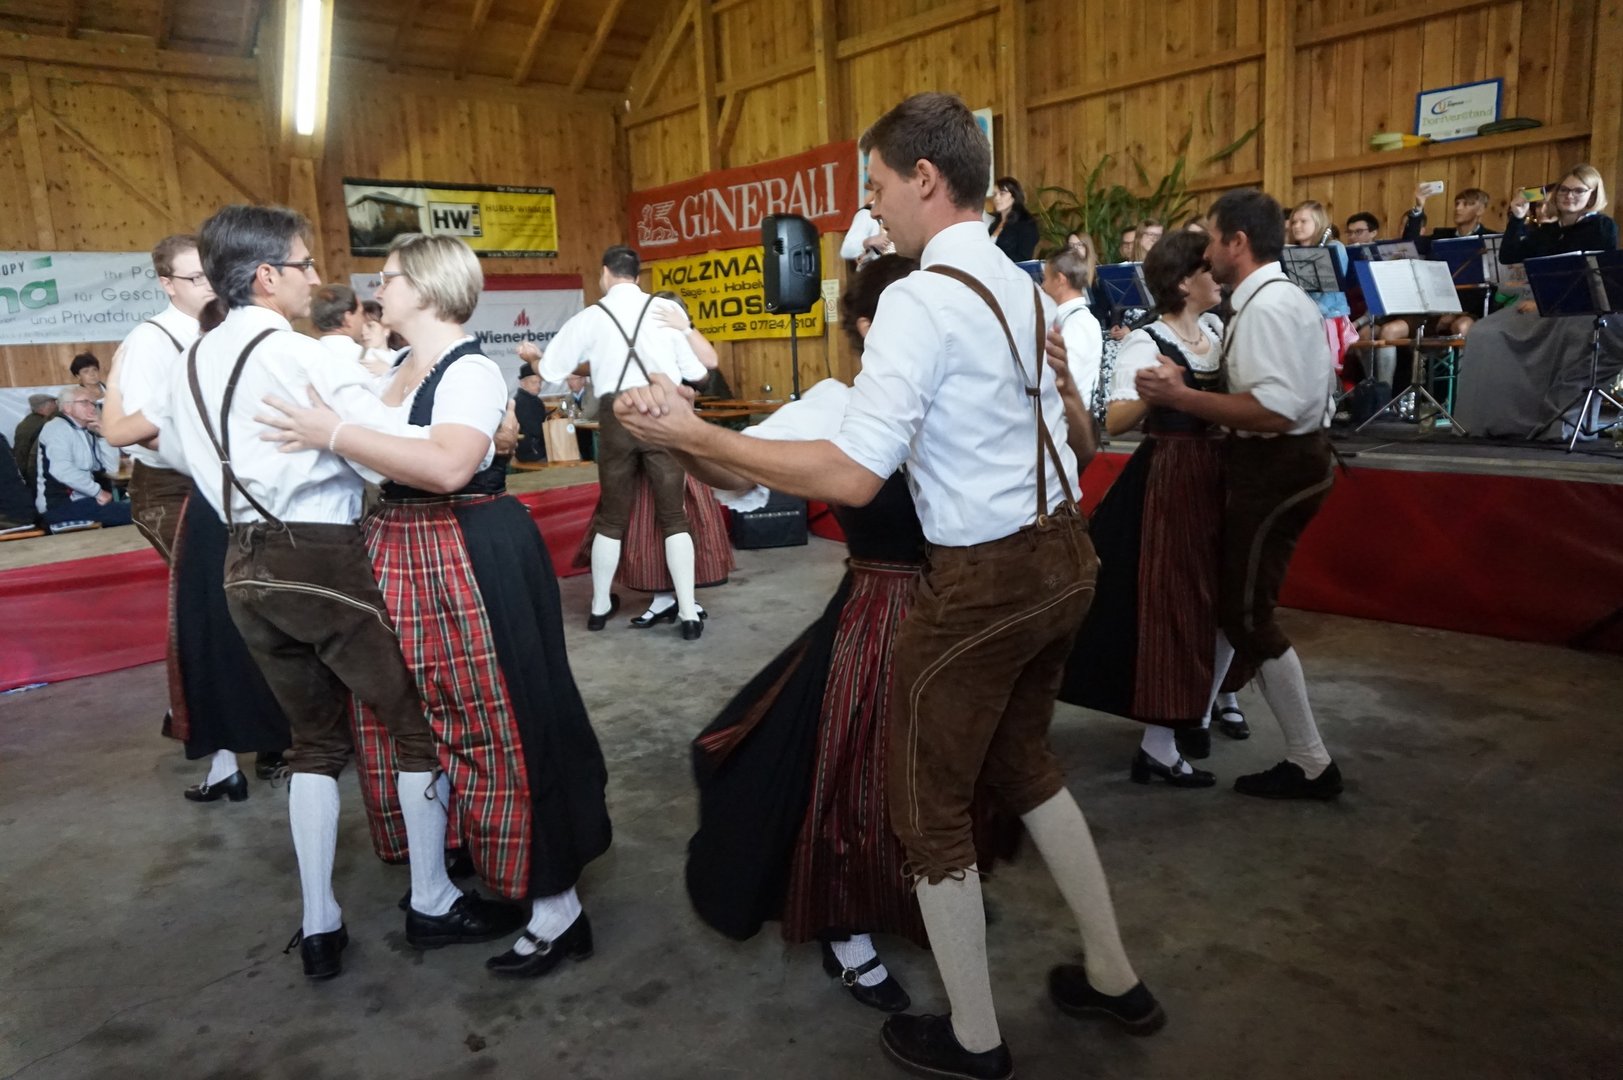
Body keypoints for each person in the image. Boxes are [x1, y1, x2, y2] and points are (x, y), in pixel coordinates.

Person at [616, 92, 1159, 1080]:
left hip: (985, 582)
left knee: (926, 809)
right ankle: (1115, 977)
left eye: (874, 187)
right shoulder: (1022, 288)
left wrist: (691, 434)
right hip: (1066, 560)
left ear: (925, 178)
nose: (869, 210)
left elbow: (857, 476)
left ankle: (974, 1039)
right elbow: (1066, 445)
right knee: (1027, 767)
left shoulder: (918, 296)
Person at [155, 204, 519, 980]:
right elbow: (390, 454)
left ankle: (319, 921)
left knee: (314, 743)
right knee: (414, 724)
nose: (315, 277)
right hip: (319, 556)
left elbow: (181, 455)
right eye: (304, 264)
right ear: (266, 276)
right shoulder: (300, 356)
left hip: (240, 561)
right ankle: (431, 900)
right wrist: (484, 435)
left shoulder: (190, 360)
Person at [258, 231, 611, 978]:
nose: (376, 289)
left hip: (466, 547)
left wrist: (334, 432)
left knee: (497, 721)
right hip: (403, 543)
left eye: (387, 277)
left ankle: (557, 909)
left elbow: (449, 467)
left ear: (424, 287)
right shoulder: (395, 364)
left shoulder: (470, 369)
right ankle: (458, 871)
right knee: (418, 719)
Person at [685, 254, 922, 1013]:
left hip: (966, 609)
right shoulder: (835, 405)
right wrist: (687, 436)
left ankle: (925, 894)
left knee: (941, 769)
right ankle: (846, 927)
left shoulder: (958, 397)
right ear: (867, 328)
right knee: (861, 772)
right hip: (881, 608)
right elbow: (741, 477)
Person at [1135, 187, 1344, 801]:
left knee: (1248, 616)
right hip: (1279, 464)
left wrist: (1183, 398)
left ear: (1238, 242)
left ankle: (1310, 761)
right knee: (1236, 606)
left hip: (1278, 467)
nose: (1205, 252)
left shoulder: (1269, 307)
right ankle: (1194, 719)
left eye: (1211, 238)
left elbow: (1275, 410)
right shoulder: (1272, 300)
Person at [99, 233, 290, 800]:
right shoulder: (151, 340)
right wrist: (211, 453)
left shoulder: (227, 328)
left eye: (210, 273)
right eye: (194, 277)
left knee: (239, 611)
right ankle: (239, 745)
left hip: (221, 485)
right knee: (214, 615)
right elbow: (135, 430)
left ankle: (246, 746)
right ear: (166, 284)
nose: (207, 284)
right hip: (176, 490)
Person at [1057, 229, 1230, 788]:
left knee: (1221, 603)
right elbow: (1113, 420)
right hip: (1171, 477)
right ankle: (1162, 740)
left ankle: (1198, 713)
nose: (1218, 276)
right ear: (1182, 282)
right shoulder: (1146, 340)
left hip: (1217, 473)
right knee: (1172, 607)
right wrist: (1157, 395)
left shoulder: (1214, 331)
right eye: (1207, 269)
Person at [537, 244, 712, 638]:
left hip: (617, 415)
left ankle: (599, 608)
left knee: (612, 517)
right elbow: (697, 370)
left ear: (605, 273)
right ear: (638, 274)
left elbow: (550, 369)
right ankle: (687, 613)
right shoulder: (663, 311)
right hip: (662, 412)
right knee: (674, 516)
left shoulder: (590, 317)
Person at [1454, 165, 1621, 438]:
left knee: (1569, 335)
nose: (1569, 196)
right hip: (1542, 304)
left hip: (1578, 307)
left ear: (1592, 195)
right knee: (1484, 331)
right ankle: (1496, 421)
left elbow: (1591, 276)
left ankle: (1551, 422)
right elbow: (1509, 256)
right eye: (1564, 190)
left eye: (1578, 191)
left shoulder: (1602, 226)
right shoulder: (1548, 231)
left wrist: (1545, 301)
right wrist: (1517, 217)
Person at [35, 385, 129, 530]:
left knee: (137, 510)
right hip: (60, 505)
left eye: (93, 403)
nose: (92, 408)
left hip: (86, 501)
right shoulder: (56, 428)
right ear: (67, 407)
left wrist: (103, 436)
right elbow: (61, 470)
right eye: (85, 402)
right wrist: (98, 492)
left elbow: (113, 469)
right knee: (135, 513)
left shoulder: (87, 431)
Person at [1286, 200, 1357, 375]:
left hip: (1328, 318)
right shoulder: (1290, 251)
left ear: (1318, 222)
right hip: (1302, 318)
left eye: (1303, 221)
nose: (1296, 226)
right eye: (1294, 222)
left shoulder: (1334, 247)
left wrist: (1307, 314)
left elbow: (1331, 291)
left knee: (1325, 374)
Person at [1042, 247, 1104, 415]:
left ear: (1060, 280)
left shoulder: (1078, 323)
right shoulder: (1071, 320)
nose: (1043, 286)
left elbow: (1067, 381)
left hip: (1070, 418)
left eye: (1046, 279)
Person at [13, 393, 57, 491]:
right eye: (53, 403)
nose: (56, 406)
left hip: (28, 474)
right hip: (37, 475)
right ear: (45, 406)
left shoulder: (25, 423)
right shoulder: (44, 424)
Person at [988, 177, 1038, 262]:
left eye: (1002, 193)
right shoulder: (994, 224)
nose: (996, 198)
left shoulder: (1026, 223)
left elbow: (1023, 258)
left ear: (1014, 196)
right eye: (994, 194)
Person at [513, 361, 548, 462]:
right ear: (522, 383)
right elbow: (536, 430)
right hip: (533, 452)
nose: (538, 386)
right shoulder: (524, 402)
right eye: (534, 382)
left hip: (529, 450)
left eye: (540, 383)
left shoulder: (529, 399)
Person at [841, 201, 893, 268]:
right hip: (874, 270)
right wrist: (869, 241)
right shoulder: (866, 214)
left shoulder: (900, 217)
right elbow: (847, 249)